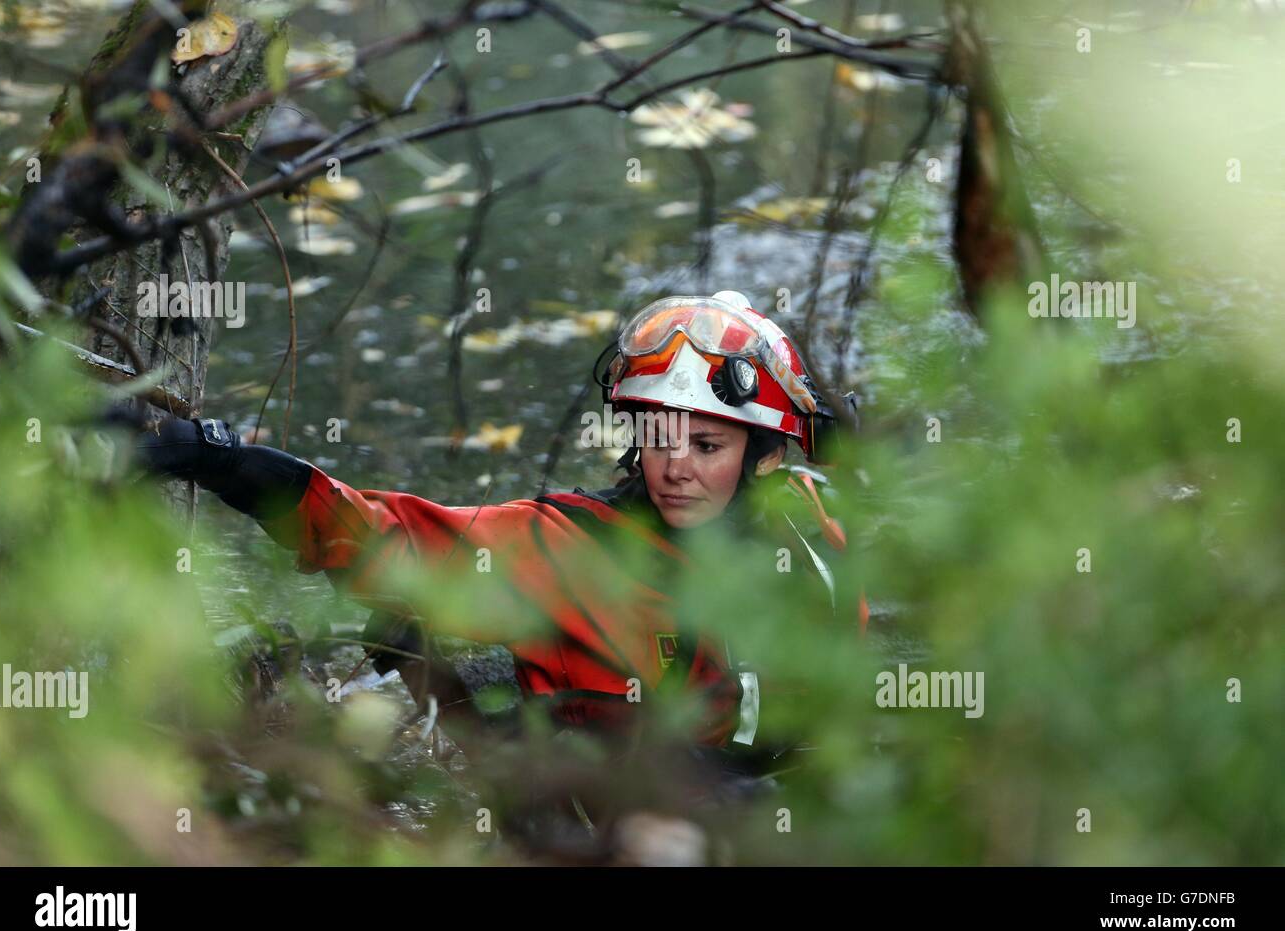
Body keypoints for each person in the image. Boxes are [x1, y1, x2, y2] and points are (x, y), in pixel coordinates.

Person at [136, 290, 865, 765]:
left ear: (766, 460)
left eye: (707, 448)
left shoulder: (806, 522)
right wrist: (216, 457)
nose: (675, 468)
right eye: (660, 438)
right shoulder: (575, 545)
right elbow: (377, 532)